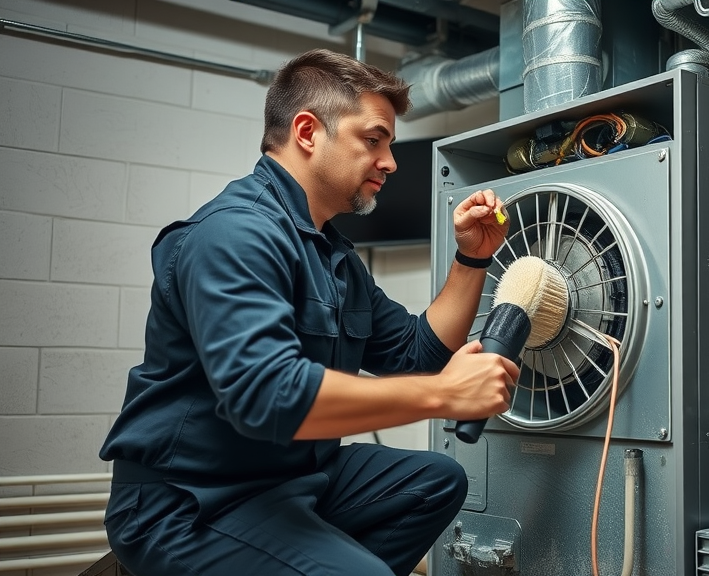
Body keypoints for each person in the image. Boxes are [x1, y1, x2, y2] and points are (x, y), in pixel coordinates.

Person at [98, 48, 518, 576]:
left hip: (290, 479)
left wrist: (473, 255)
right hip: (191, 503)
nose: (390, 161)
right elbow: (268, 395)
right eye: (373, 140)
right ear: (306, 131)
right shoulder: (235, 234)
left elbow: (419, 352)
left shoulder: (332, 254)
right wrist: (445, 395)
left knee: (436, 481)